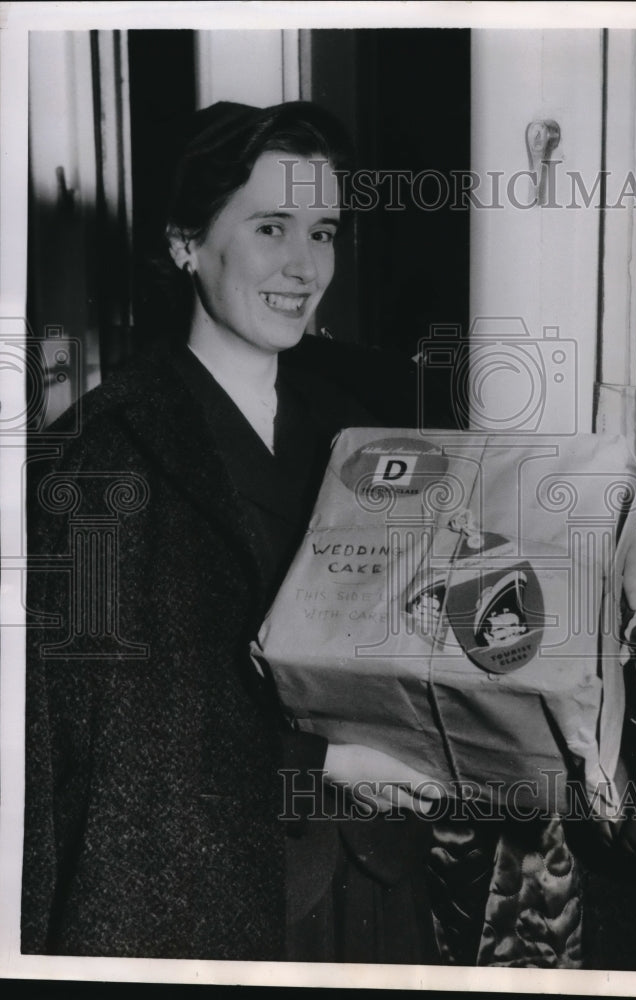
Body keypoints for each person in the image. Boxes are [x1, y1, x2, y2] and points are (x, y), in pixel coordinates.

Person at [22, 100, 440, 963]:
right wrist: (323, 767)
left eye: (322, 231)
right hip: (216, 905)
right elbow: (109, 746)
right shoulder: (105, 460)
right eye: (271, 227)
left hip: (378, 887)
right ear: (185, 241)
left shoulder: (359, 435)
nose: (304, 265)